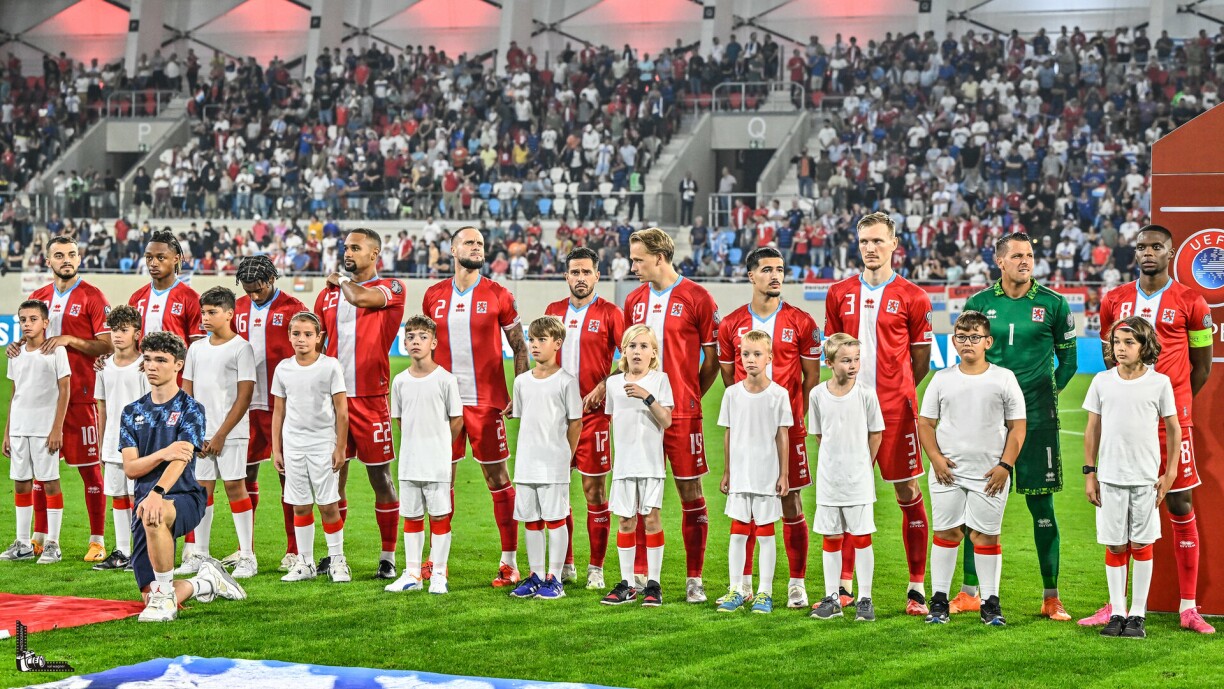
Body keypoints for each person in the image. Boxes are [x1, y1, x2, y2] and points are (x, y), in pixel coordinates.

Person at [1087, 224, 1215, 634]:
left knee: (1179, 503)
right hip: (1126, 424)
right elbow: (1111, 356)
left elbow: (1202, 366)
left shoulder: (1191, 301)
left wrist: (1170, 405)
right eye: (1142, 246)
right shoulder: (1115, 299)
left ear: (1170, 252)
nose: (1148, 253)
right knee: (1118, 512)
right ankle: (1117, 605)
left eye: (1156, 247)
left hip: (1170, 423)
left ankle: (1188, 607)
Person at [960, 232, 1078, 620]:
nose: (1025, 261)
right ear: (1000, 261)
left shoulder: (1054, 303)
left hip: (1038, 421)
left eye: (1029, 254)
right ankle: (970, 592)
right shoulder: (980, 303)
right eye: (1016, 256)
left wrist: (1044, 397)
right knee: (976, 506)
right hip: (987, 422)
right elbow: (968, 356)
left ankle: (1051, 597)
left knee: (1042, 507)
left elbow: (1069, 362)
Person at [824, 211, 934, 615]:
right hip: (847, 411)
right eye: (864, 242)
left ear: (894, 245)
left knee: (907, 491)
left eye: (877, 241)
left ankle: (916, 587)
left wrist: (894, 390)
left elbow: (920, 360)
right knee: (847, 495)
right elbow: (833, 353)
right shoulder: (839, 293)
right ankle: (844, 585)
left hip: (895, 411)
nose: (870, 248)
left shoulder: (913, 296)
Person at [423, 226, 530, 586]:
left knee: (498, 479)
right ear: (453, 250)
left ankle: (509, 562)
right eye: (469, 242)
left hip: (487, 403)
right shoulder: (434, 295)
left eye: (480, 243)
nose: (476, 247)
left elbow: (520, 346)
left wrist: (521, 391)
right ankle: (436, 561)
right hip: (445, 405)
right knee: (442, 480)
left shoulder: (499, 294)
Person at [717, 246, 820, 608]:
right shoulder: (730, 324)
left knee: (790, 501)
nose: (775, 275)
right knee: (744, 506)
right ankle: (743, 585)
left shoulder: (802, 322)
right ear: (751, 276)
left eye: (779, 269)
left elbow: (811, 379)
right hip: (747, 432)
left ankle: (796, 584)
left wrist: (794, 418)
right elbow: (729, 378)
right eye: (767, 269)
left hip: (787, 428)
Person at [119, 331, 246, 622]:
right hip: (145, 503)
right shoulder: (131, 412)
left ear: (178, 365)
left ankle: (165, 597)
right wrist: (163, 453)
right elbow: (131, 468)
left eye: (161, 360)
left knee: (155, 513)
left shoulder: (191, 409)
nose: (152, 366)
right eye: (147, 359)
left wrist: (157, 492)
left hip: (184, 497)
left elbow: (182, 458)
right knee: (147, 596)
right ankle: (206, 582)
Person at [624, 228, 720, 603]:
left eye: (638, 259)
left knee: (690, 493)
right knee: (640, 495)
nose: (633, 266)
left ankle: (694, 579)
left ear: (659, 258)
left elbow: (712, 359)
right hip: (641, 414)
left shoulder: (698, 297)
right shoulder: (634, 300)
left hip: (682, 415)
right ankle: (641, 576)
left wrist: (690, 395)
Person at [918, 311, 1026, 626]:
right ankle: (939, 600)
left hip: (990, 474)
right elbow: (925, 423)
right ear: (954, 341)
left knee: (985, 536)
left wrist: (1005, 465)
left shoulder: (1003, 378)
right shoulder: (942, 378)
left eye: (975, 337)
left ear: (987, 342)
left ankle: (990, 603)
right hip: (947, 473)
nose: (968, 342)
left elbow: (1017, 427)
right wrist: (935, 458)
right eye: (962, 337)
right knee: (946, 532)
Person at [315, 228, 406, 580]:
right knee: (332, 478)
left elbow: (359, 298)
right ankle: (334, 554)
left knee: (380, 478)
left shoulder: (392, 287)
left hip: (371, 398)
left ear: (375, 253)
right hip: (334, 400)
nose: (348, 252)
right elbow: (318, 346)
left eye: (355, 247)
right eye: (346, 248)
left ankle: (388, 556)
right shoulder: (327, 297)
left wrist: (340, 279)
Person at [1083, 317, 1180, 639]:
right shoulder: (1102, 381)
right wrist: (1090, 473)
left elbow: (1174, 429)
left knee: (1140, 543)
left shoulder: (1159, 383)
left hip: (1145, 479)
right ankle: (1117, 611)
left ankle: (1137, 614)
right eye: (1116, 342)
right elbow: (1092, 428)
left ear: (1144, 346)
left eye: (1128, 342)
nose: (1120, 348)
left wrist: (1170, 472)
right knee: (1114, 544)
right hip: (1110, 477)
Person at [25, 236, 113, 562]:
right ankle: (38, 538)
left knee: (90, 471)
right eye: (60, 255)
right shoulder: (38, 297)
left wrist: (69, 340)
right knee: (41, 471)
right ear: (48, 261)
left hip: (81, 396)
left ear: (79, 258)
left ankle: (97, 540)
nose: (67, 260)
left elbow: (106, 345)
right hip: (44, 398)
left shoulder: (93, 296)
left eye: (72, 254)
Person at [544, 246, 625, 590]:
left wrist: (605, 385)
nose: (580, 278)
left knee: (594, 491)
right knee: (558, 491)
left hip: (593, 417)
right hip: (557, 417)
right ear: (566, 276)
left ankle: (596, 567)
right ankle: (566, 564)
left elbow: (629, 358)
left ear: (597, 275)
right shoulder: (553, 311)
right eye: (575, 272)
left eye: (586, 272)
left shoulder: (611, 313)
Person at [230, 255, 309, 573]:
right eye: (248, 290)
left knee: (288, 475)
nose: (253, 295)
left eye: (258, 289)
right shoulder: (238, 307)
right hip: (246, 405)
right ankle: (244, 549)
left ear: (272, 280)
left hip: (282, 407)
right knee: (243, 474)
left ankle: (294, 549)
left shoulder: (293, 308)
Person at [178, 287, 257, 579]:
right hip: (201, 434)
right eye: (204, 312)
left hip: (231, 432)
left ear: (229, 314)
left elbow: (244, 395)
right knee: (201, 490)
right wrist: (194, 430)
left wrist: (222, 433)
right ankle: (200, 553)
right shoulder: (196, 348)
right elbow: (187, 391)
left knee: (235, 486)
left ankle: (247, 555)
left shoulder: (241, 348)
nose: (205, 318)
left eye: (212, 312)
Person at [806, 333, 884, 622]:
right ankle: (833, 598)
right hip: (829, 481)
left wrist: (864, 465)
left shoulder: (866, 394)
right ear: (829, 363)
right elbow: (819, 435)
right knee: (831, 537)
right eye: (846, 360)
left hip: (858, 481)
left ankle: (865, 598)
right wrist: (835, 463)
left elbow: (876, 434)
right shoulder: (817, 395)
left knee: (861, 537)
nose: (853, 365)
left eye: (856, 360)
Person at [384, 316, 463, 594]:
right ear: (404, 343)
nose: (416, 341)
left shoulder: (446, 380)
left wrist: (439, 445)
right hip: (409, 462)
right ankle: (413, 574)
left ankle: (439, 573)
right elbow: (401, 420)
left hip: (437, 463)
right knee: (412, 517)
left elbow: (456, 420)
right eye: (411, 337)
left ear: (434, 343)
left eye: (422, 336)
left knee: (439, 517)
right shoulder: (400, 381)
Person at [715, 330, 792, 615]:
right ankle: (737, 589)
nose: (750, 359)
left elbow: (782, 435)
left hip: (766, 476)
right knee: (737, 533)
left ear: (769, 357)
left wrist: (784, 474)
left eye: (757, 354)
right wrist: (727, 471)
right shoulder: (732, 394)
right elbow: (729, 433)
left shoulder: (778, 395)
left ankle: (765, 592)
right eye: (745, 354)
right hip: (740, 475)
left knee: (765, 534)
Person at [507, 317, 584, 600]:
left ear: (557, 343)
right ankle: (536, 576)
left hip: (554, 464)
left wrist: (565, 455)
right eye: (532, 339)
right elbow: (524, 417)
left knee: (555, 519)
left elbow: (576, 422)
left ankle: (555, 579)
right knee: (531, 520)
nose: (535, 345)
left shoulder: (566, 381)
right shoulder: (521, 381)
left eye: (542, 340)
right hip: (526, 463)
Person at [272, 312, 351, 583]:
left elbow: (342, 411)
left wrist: (340, 448)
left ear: (319, 337)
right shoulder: (283, 368)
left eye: (308, 334)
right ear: (289, 336)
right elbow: (279, 412)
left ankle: (338, 560)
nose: (301, 339)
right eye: (296, 334)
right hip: (294, 446)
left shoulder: (330, 366)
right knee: (300, 505)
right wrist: (277, 449)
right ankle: (304, 562)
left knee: (328, 504)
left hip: (322, 444)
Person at [599, 325, 673, 607]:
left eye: (644, 346)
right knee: (625, 521)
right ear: (624, 351)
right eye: (632, 346)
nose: (637, 351)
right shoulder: (613, 384)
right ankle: (627, 584)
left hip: (651, 464)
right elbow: (613, 419)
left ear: (653, 353)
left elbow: (666, 420)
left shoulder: (659, 380)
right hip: (624, 465)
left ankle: (653, 584)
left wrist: (646, 395)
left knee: (651, 519)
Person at [1, 301, 71, 564]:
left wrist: (57, 428)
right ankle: (23, 543)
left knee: (50, 481)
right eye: (23, 319)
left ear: (45, 322)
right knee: (21, 482)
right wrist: (7, 432)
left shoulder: (56, 352)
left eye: (33, 319)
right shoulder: (16, 353)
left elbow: (65, 390)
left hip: (44, 429)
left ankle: (53, 543)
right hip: (20, 428)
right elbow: (15, 393)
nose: (27, 324)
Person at [92, 306, 150, 570]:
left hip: (139, 446)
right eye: (114, 330)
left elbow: (152, 408)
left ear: (137, 334)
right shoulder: (103, 367)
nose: (117, 335)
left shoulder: (144, 367)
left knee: (138, 498)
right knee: (117, 496)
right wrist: (102, 444)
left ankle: (141, 551)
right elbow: (102, 407)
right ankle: (122, 551)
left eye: (124, 330)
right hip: (112, 443)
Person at [128, 230, 205, 345]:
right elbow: (130, 342)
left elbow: (198, 345)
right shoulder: (137, 298)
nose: (153, 263)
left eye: (160, 258)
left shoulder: (191, 298)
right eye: (149, 257)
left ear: (176, 259)